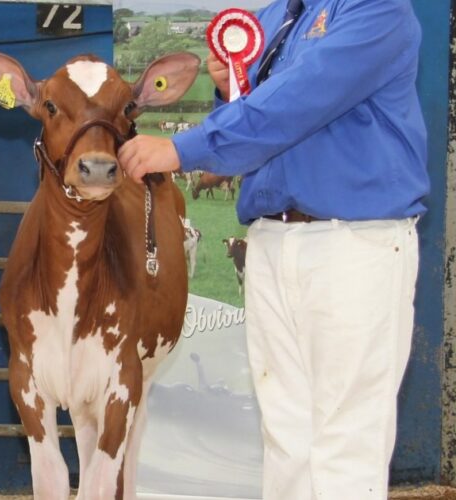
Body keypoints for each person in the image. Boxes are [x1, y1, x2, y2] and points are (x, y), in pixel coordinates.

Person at [119, 0, 429, 499]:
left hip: (353, 244)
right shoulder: (269, 18)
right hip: (270, 236)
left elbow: (301, 99)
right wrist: (228, 92)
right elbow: (254, 122)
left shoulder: (376, 7)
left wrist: (181, 148)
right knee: (284, 433)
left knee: (347, 436)